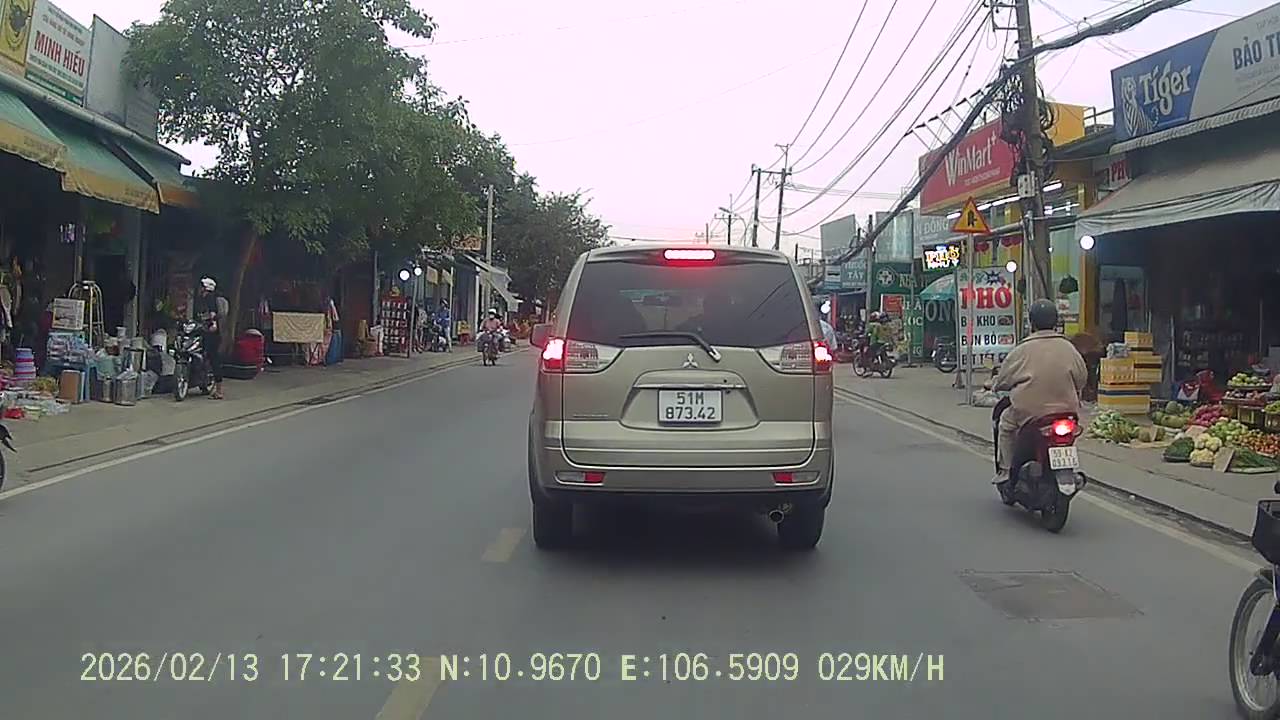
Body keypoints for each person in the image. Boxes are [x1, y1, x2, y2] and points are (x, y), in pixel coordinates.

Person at [991, 299, 1088, 484]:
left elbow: (1004, 380)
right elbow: (1082, 378)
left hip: (1030, 414)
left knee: (1005, 424)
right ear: (1055, 322)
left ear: (1032, 323)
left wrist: (995, 385)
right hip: (1066, 412)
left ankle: (1006, 471)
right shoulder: (1069, 349)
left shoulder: (1021, 351)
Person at [196, 277, 228, 399]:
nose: (199, 289)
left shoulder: (210, 298)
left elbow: (213, 313)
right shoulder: (204, 299)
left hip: (212, 333)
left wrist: (213, 325)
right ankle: (204, 384)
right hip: (207, 331)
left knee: (214, 359)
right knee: (207, 357)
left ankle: (219, 391)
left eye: (201, 287)